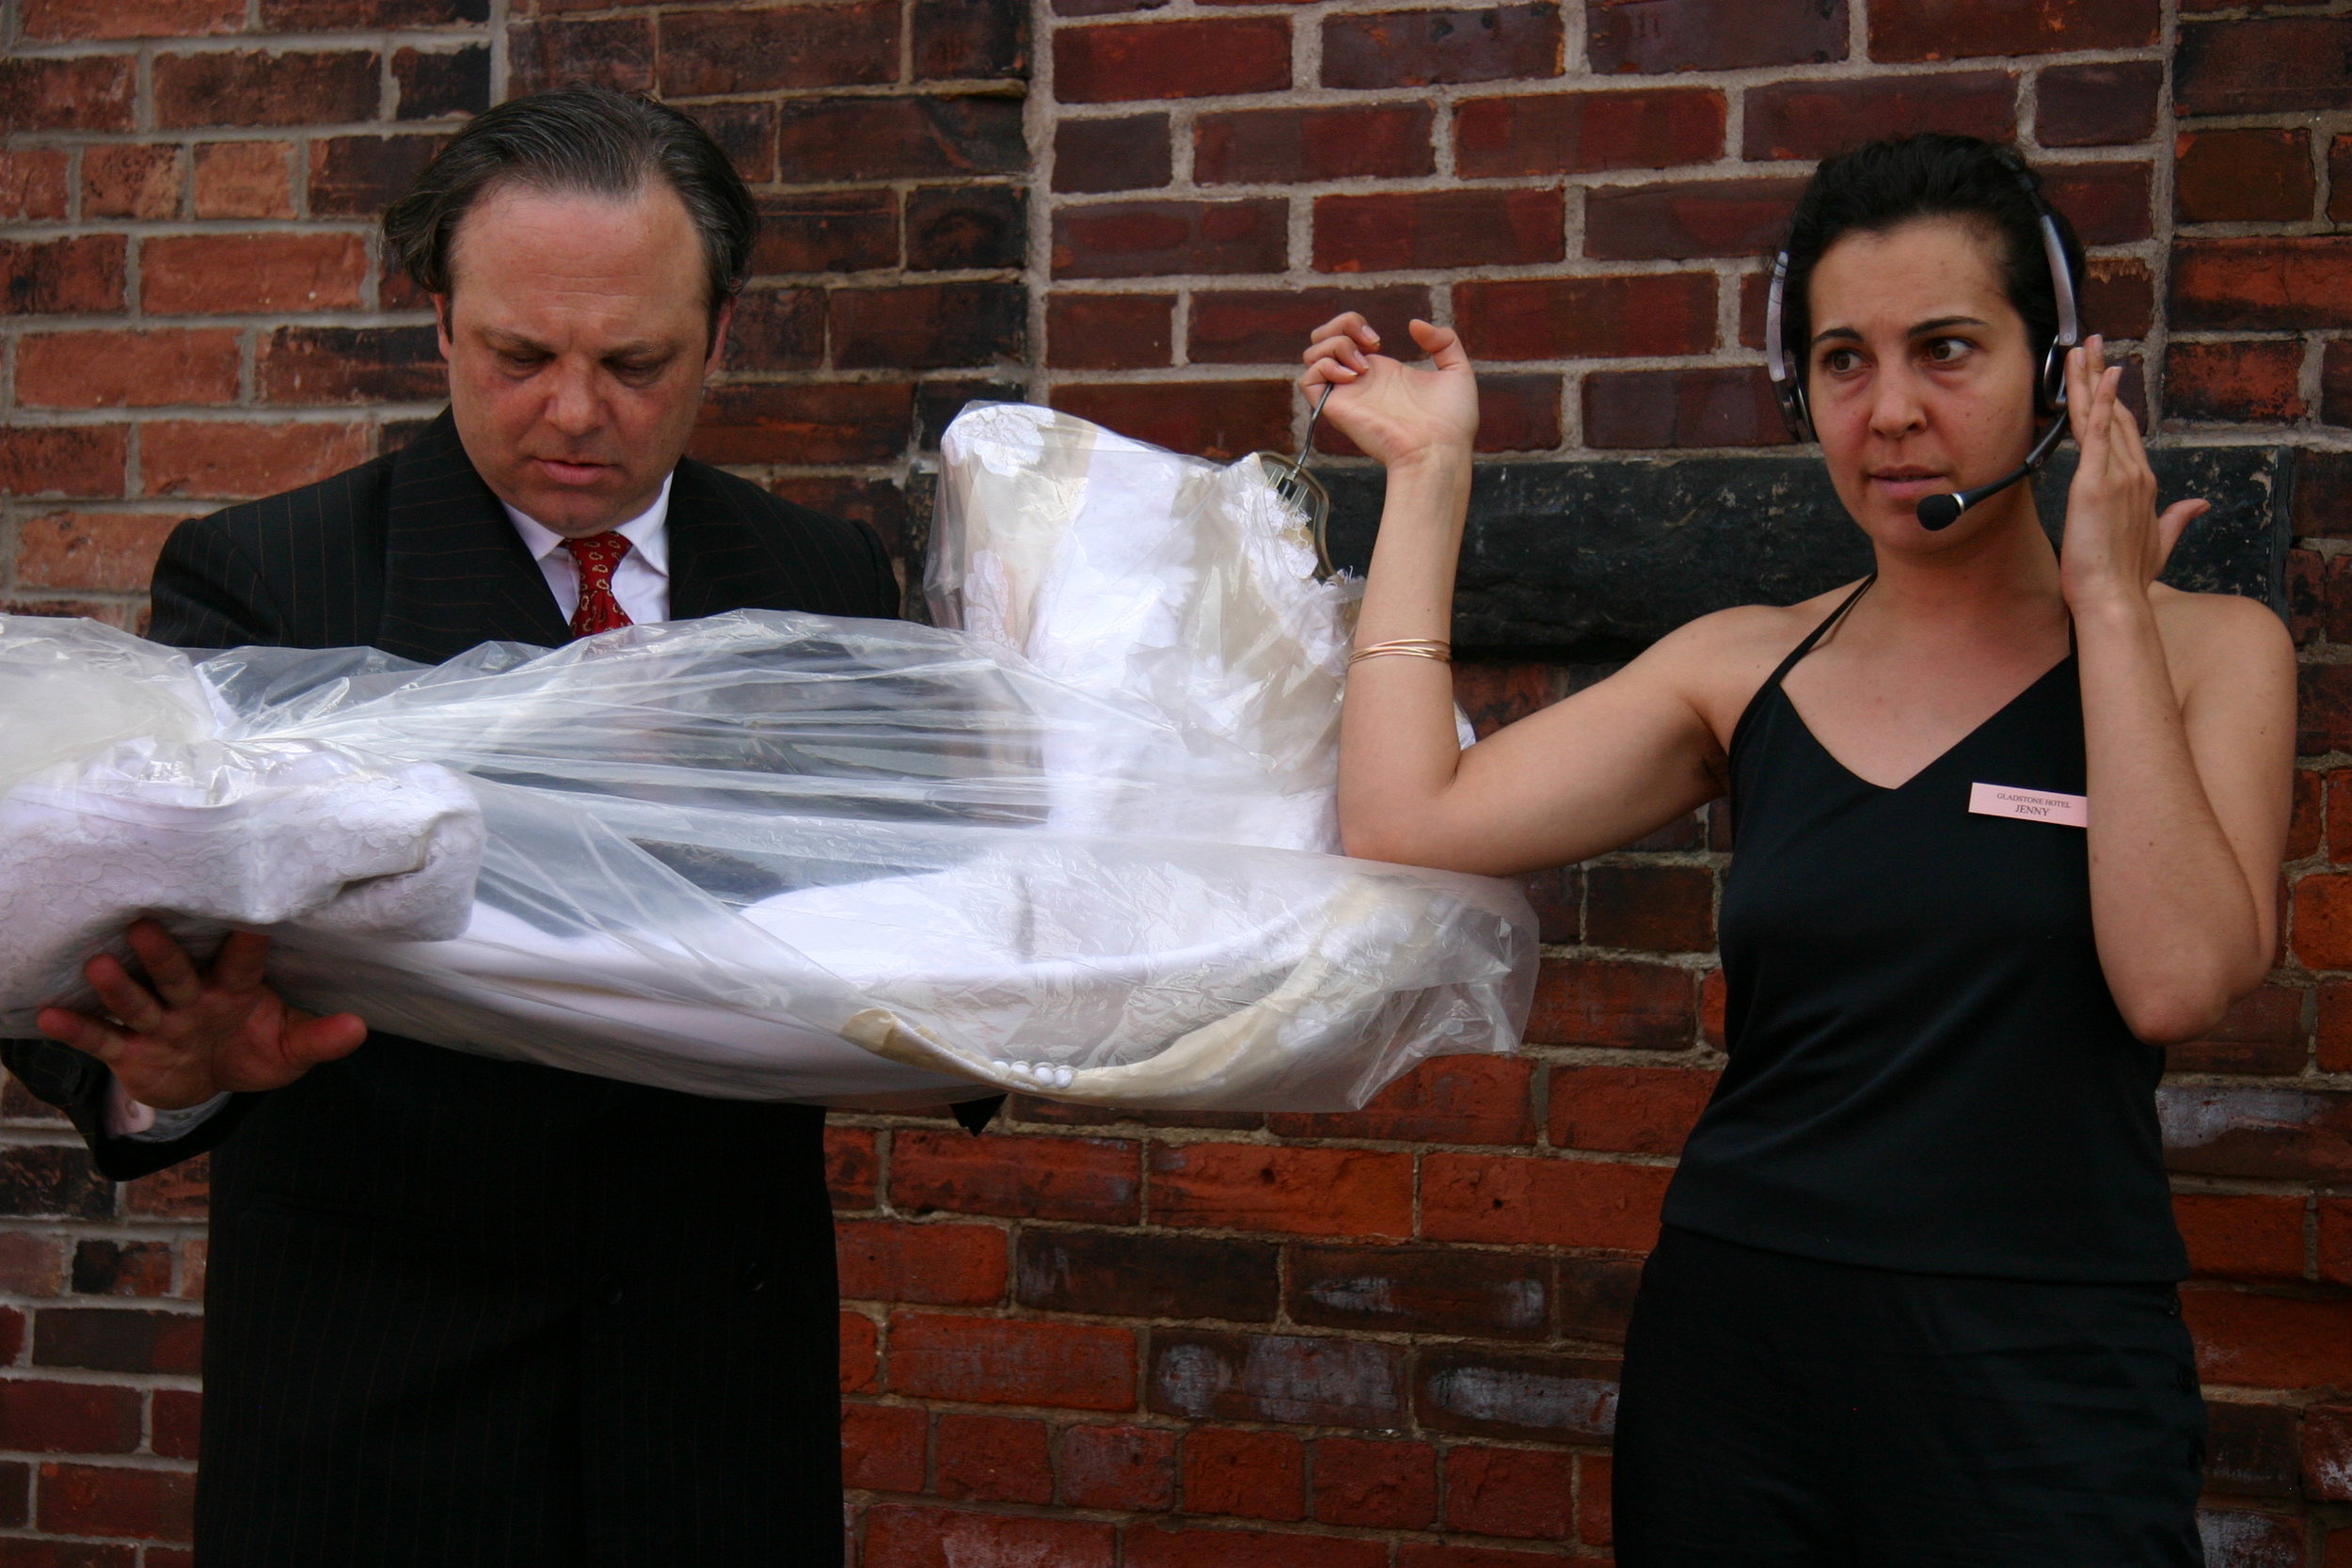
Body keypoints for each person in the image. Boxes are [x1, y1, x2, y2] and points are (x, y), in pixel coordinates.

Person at [1301, 133, 2293, 1564]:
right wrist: (1431, 472)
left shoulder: (2208, 654)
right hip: (1742, 1362)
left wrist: (2113, 612)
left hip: (2049, 1381)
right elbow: (1408, 820)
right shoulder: (1744, 668)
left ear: (2060, 366)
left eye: (1947, 349)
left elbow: (2178, 978)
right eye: (1842, 360)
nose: (1889, 411)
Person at [1, 87, 950, 1567]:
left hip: (715, 1406)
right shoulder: (271, 581)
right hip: (381, 1415)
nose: (576, 412)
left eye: (635, 362)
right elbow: (100, 934)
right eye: (521, 356)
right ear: (440, 323)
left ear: (721, 335)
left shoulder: (817, 577)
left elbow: (927, 910)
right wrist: (168, 1074)